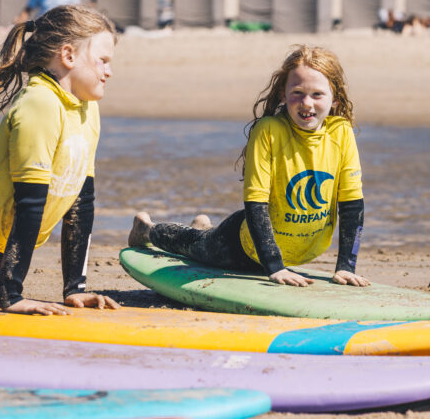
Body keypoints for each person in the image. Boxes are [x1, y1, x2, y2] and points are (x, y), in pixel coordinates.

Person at [129, 45, 369, 288]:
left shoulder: (341, 133)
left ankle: (205, 228)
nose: (306, 103)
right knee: (193, 246)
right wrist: (274, 266)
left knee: (203, 238)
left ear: (335, 99)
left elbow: (351, 205)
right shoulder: (269, 131)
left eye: (317, 94)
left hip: (295, 251)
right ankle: (146, 229)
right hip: (245, 247)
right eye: (297, 92)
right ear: (283, 96)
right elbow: (256, 203)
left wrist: (346, 266)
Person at [0, 4, 121, 316]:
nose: (109, 71)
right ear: (68, 56)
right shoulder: (40, 104)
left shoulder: (85, 108)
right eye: (102, 60)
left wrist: (75, 288)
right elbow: (29, 205)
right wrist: (12, 295)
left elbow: (81, 201)